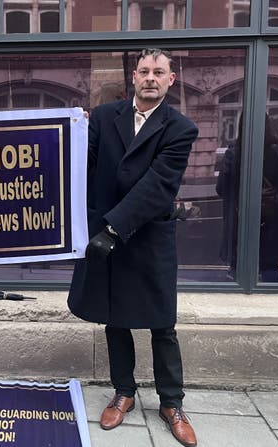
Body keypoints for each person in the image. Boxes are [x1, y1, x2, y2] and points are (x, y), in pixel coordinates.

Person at [68, 48, 198, 447]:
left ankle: (171, 403)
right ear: (134, 77)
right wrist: (72, 129)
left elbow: (157, 186)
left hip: (146, 237)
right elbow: (81, 163)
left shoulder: (181, 128)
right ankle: (123, 391)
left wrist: (113, 227)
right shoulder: (106, 117)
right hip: (108, 238)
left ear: (170, 80)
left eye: (159, 72)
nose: (151, 78)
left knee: (163, 324)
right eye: (144, 71)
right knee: (116, 319)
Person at [217, 115, 278, 282]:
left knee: (238, 271)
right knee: (270, 269)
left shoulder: (233, 153)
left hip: (241, 221)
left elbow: (221, 189)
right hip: (271, 219)